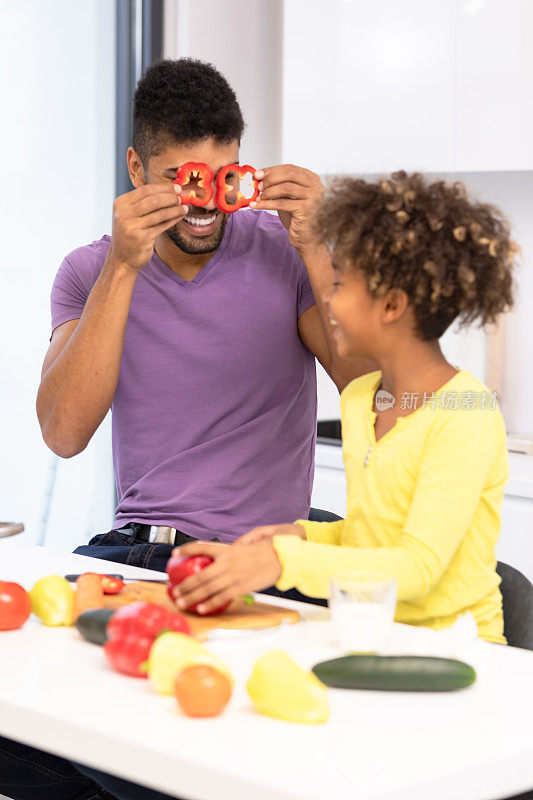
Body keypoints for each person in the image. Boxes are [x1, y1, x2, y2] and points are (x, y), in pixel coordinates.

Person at [36, 58, 371, 577]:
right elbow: (63, 434)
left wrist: (316, 248)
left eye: (223, 179)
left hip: (264, 558)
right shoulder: (89, 271)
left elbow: (369, 395)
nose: (204, 202)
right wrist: (123, 268)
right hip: (144, 548)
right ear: (135, 168)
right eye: (181, 179)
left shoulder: (287, 253)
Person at [171, 171, 518, 644]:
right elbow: (372, 535)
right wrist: (298, 537)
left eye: (340, 283)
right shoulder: (360, 399)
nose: (327, 299)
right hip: (374, 633)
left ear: (391, 304)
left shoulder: (465, 415)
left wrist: (281, 562)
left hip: (461, 651)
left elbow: (418, 566)